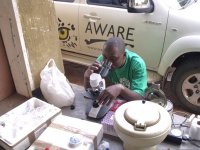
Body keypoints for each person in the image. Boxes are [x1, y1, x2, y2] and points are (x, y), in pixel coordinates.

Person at [84, 37, 147, 105]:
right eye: (105, 57)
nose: (107, 63)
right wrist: (87, 78)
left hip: (131, 103)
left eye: (113, 59)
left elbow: (140, 98)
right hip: (114, 101)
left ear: (124, 55)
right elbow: (89, 92)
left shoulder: (136, 64)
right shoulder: (102, 60)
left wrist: (121, 89)